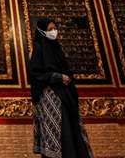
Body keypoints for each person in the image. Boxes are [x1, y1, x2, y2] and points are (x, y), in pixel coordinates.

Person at [30, 18, 94, 158]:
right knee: (59, 131)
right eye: (50, 30)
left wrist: (67, 77)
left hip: (65, 93)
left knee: (72, 129)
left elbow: (65, 68)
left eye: (54, 28)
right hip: (51, 97)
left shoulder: (56, 48)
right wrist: (57, 77)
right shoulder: (39, 49)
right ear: (42, 31)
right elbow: (36, 74)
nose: (54, 32)